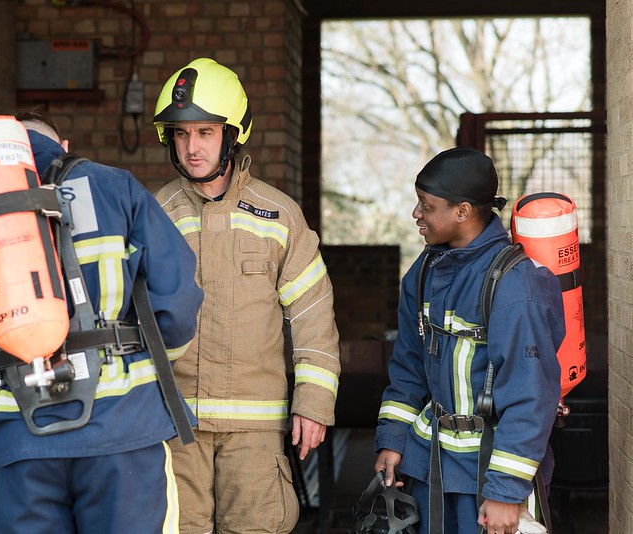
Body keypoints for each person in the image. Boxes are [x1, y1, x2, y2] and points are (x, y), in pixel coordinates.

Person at [0, 110, 203, 534]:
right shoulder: (116, 188)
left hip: (21, 447)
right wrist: (144, 369)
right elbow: (178, 304)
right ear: (63, 146)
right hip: (122, 436)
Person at [152, 57, 341, 534]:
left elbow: (313, 313)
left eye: (205, 133)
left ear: (232, 135)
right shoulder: (155, 215)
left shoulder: (280, 217)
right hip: (176, 424)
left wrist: (313, 404)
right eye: (181, 134)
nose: (191, 147)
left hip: (255, 431)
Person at [373, 147, 566, 534]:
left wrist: (507, 493)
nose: (416, 214)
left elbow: (532, 395)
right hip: (430, 467)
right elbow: (408, 365)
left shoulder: (515, 285)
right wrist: (392, 439)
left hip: (490, 477)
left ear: (462, 211)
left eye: (426, 206)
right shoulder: (424, 271)